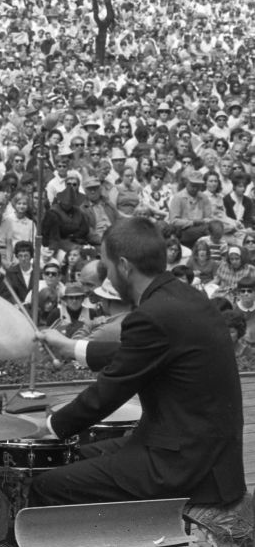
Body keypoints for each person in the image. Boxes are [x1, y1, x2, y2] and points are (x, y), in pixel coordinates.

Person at [34, 217, 245, 506]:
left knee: (47, 484)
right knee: (72, 455)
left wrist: (50, 427)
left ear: (124, 266)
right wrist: (72, 348)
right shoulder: (184, 297)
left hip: (182, 463)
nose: (107, 279)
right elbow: (139, 353)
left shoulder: (152, 315)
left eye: (107, 269)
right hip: (203, 450)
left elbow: (107, 393)